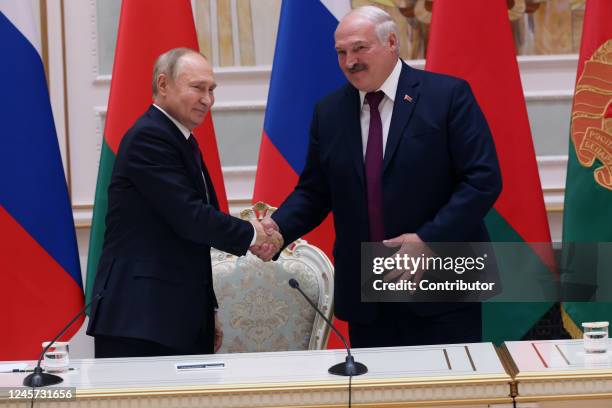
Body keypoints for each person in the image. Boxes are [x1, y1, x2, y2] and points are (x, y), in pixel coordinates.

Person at [251, 6, 502, 348]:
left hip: (443, 284)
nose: (349, 61)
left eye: (359, 48)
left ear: (392, 43)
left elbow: (482, 179)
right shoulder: (330, 112)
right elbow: (314, 191)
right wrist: (279, 229)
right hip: (369, 293)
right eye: (341, 52)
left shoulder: (447, 97)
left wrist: (428, 239)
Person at [87, 48, 283, 358]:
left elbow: (188, 238)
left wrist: (209, 310)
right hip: (142, 319)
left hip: (174, 317)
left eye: (211, 89)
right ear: (163, 85)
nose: (208, 99)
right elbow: (190, 217)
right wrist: (255, 234)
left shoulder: (180, 139)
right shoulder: (149, 138)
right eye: (197, 88)